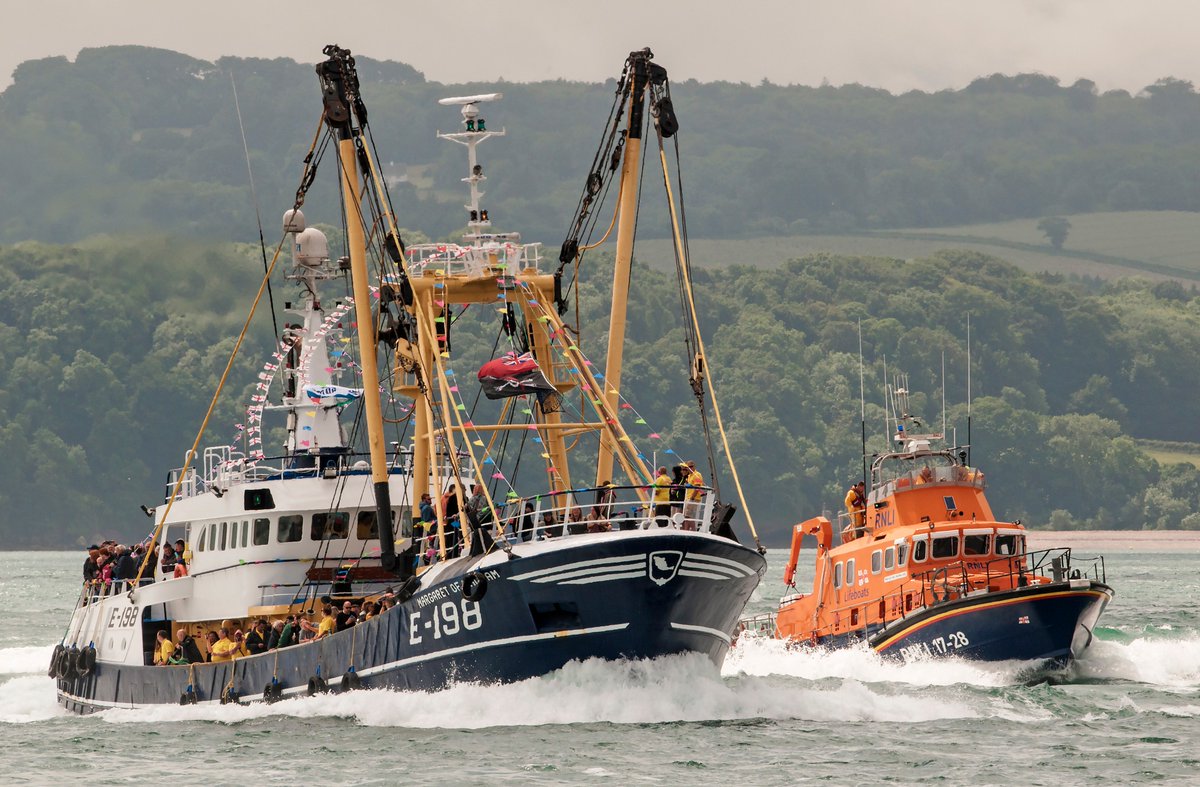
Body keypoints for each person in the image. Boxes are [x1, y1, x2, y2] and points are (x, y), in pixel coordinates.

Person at [683, 460, 704, 530]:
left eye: (691, 466)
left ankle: (693, 529)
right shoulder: (689, 476)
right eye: (688, 467)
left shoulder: (697, 475)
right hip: (688, 497)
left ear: (694, 466)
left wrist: (692, 497)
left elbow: (697, 487)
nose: (690, 468)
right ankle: (686, 530)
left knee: (688, 515)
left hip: (693, 498)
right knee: (686, 516)